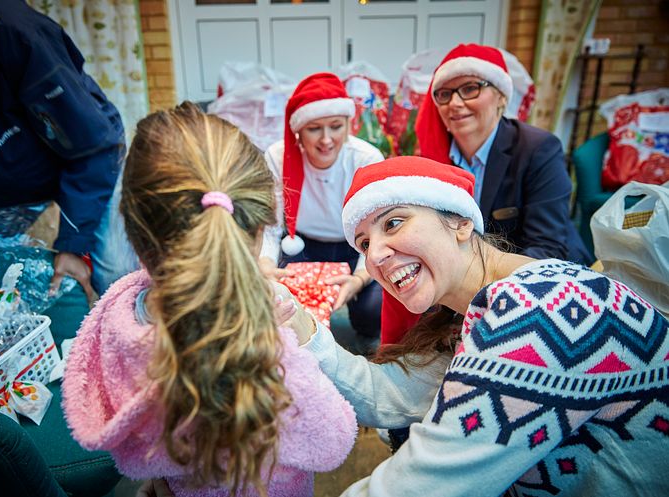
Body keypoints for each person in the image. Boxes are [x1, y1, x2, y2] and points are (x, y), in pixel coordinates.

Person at [296, 155, 669, 496]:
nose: (374, 255)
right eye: (363, 243)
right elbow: (390, 393)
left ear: (460, 223)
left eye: (393, 222)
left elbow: (419, 487)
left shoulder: (537, 315)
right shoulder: (499, 304)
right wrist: (299, 325)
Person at [62, 103, 357, 497]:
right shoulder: (270, 350)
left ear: (135, 235)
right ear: (258, 231)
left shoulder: (116, 318)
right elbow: (332, 441)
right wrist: (291, 337)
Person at [380, 44, 593, 347]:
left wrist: (473, 287)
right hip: (460, 279)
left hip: (538, 278)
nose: (455, 103)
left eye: (470, 89)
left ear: (502, 97)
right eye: (444, 94)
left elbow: (549, 246)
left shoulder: (537, 149)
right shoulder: (434, 159)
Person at [0, 0, 126, 298]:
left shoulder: (18, 36)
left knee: (113, 274)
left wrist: (72, 245)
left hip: (88, 159)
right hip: (8, 172)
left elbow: (94, 146)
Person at [259, 72, 385, 353]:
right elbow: (270, 223)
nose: (326, 139)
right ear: (298, 130)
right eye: (314, 128)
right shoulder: (278, 156)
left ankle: (367, 345)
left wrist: (360, 278)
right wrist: (265, 263)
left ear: (348, 125)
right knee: (285, 303)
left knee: (371, 310)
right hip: (301, 244)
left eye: (336, 126)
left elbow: (378, 228)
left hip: (357, 245)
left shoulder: (366, 158)